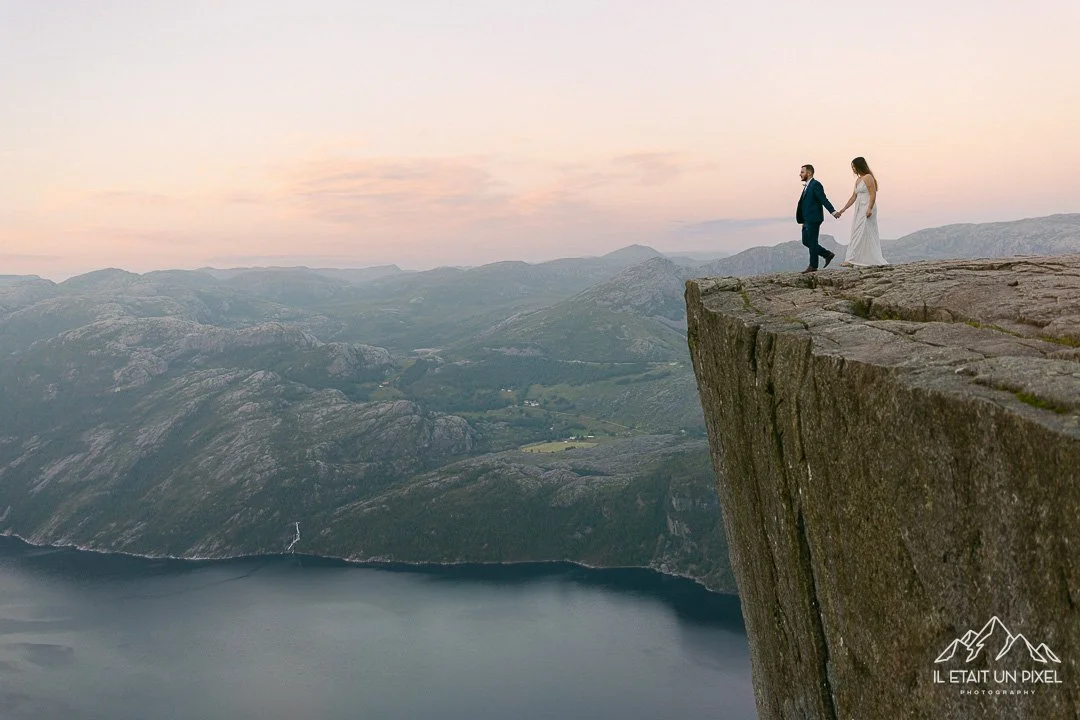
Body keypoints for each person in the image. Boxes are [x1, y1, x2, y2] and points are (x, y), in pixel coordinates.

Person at [834, 157, 888, 267]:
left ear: (859, 166)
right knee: (856, 232)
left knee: (863, 231)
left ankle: (851, 259)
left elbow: (873, 193)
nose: (853, 169)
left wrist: (869, 208)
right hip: (859, 209)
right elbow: (853, 197)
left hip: (867, 207)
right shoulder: (858, 180)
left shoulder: (868, 177)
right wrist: (843, 209)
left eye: (854, 166)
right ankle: (855, 259)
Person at [795, 164, 836, 273]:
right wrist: (803, 220)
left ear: (809, 173)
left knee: (812, 242)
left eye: (802, 172)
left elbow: (823, 199)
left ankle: (813, 266)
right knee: (806, 241)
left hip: (814, 218)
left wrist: (833, 211)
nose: (800, 174)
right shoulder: (807, 186)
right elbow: (804, 204)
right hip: (806, 220)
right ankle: (827, 254)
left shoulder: (816, 185)